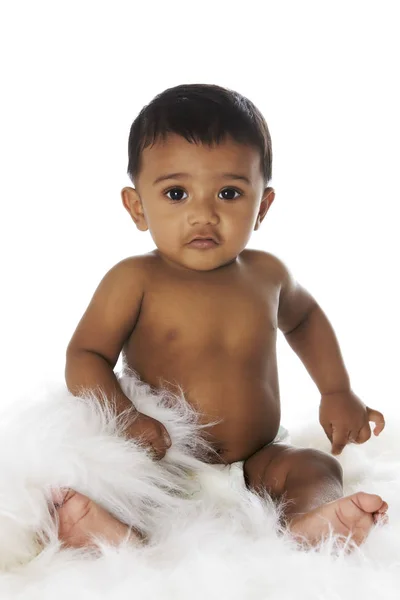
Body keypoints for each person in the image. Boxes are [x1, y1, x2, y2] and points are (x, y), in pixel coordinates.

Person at [57, 83, 388, 550]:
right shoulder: (134, 280)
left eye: (229, 192)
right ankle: (119, 538)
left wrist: (336, 390)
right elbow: (86, 355)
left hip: (259, 459)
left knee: (317, 468)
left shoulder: (267, 275)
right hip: (166, 458)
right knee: (117, 483)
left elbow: (306, 320)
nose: (203, 215)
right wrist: (126, 418)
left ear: (262, 206)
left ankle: (311, 525)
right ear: (137, 207)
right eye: (177, 193)